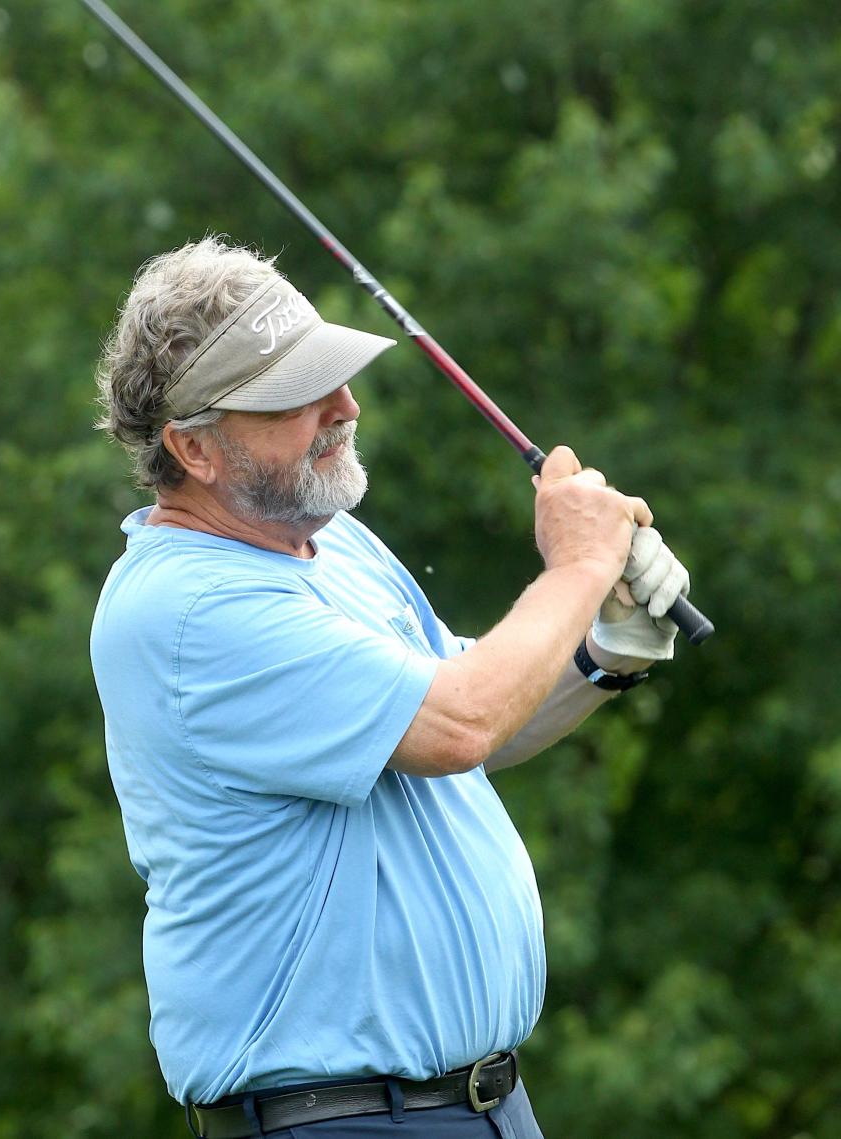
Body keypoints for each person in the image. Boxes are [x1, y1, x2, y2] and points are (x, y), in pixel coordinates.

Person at [90, 237, 690, 1138]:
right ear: (193, 448)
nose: (344, 406)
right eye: (298, 397)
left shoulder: (332, 542)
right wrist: (578, 565)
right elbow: (462, 721)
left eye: (334, 375)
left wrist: (608, 645)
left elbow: (478, 705)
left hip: (480, 1105)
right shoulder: (186, 607)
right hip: (339, 1119)